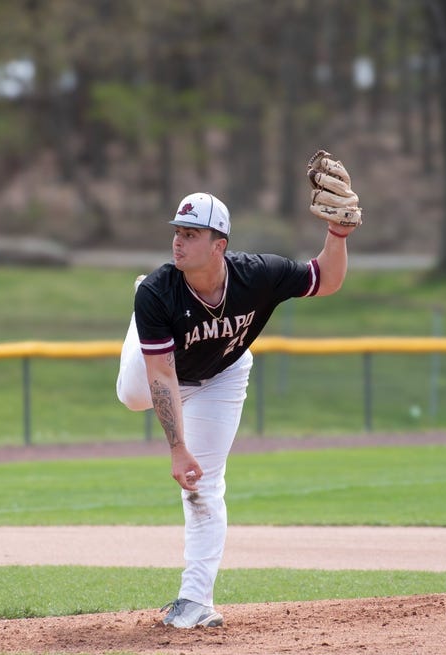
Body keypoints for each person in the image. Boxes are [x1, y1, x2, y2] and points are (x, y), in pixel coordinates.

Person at [115, 187, 356, 629]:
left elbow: (327, 279)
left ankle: (195, 600)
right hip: (162, 370)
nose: (178, 241)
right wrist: (176, 446)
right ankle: (137, 320)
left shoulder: (258, 274)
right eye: (177, 232)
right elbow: (163, 378)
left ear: (219, 245)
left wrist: (337, 234)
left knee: (202, 487)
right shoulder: (160, 291)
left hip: (223, 374)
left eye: (191, 233)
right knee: (133, 398)